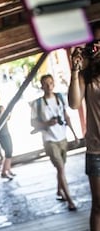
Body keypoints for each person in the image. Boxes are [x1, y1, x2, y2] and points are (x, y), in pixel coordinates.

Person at [68, 21, 100, 231]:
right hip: (96, 148)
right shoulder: (86, 76)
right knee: (98, 203)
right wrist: (74, 71)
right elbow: (73, 102)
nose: (96, 47)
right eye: (93, 44)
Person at [30, 74, 78, 211]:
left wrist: (74, 134)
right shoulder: (37, 104)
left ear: (54, 84)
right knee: (61, 168)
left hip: (62, 137)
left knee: (61, 168)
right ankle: (70, 200)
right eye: (45, 84)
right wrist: (46, 123)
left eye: (51, 83)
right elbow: (32, 122)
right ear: (41, 86)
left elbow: (66, 116)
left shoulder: (60, 98)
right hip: (49, 139)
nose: (49, 86)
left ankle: (59, 190)